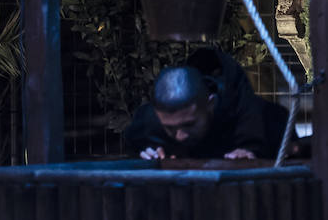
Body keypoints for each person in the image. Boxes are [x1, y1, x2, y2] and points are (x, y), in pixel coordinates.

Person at [123, 46, 286, 160]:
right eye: (170, 128)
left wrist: (255, 155)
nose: (180, 136)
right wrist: (147, 151)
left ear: (211, 103)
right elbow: (136, 144)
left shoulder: (261, 117)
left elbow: (289, 152)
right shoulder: (150, 120)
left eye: (189, 124)